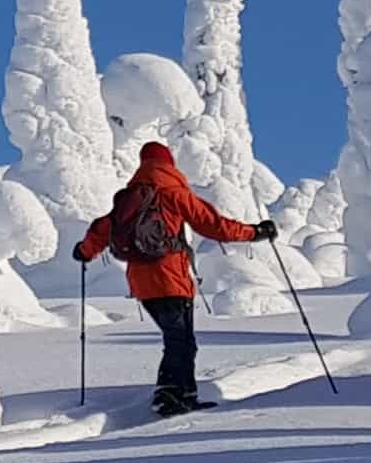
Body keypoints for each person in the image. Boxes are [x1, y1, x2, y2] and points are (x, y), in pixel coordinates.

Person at [73, 140, 275, 417]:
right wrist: (255, 233)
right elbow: (214, 225)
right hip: (170, 278)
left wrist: (84, 251)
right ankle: (168, 395)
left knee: (181, 340)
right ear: (169, 163)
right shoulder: (173, 192)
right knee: (180, 341)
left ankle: (186, 395)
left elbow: (100, 229)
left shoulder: (129, 199)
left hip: (141, 284)